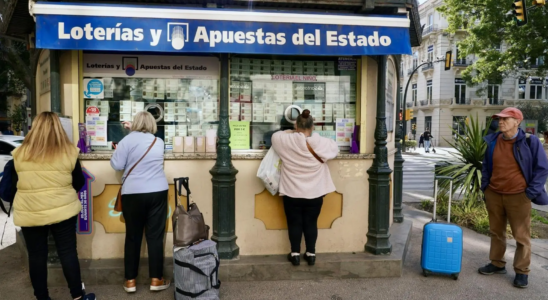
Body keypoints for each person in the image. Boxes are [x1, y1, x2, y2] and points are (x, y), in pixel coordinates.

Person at [10, 112, 95, 300]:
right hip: (63, 209)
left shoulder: (19, 154)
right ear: (59, 128)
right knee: (67, 253)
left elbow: (13, 185)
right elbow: (79, 181)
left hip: (30, 211)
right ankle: (77, 296)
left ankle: (42, 297)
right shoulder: (69, 152)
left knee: (37, 256)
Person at [480, 107, 548, 288]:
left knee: (521, 236)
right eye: (499, 119)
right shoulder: (493, 140)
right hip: (494, 193)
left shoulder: (530, 141)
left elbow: (542, 169)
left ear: (517, 122)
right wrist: (485, 188)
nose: (500, 122)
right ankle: (496, 263)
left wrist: (529, 193)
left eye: (505, 119)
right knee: (496, 231)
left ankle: (521, 271)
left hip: (519, 196)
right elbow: (486, 166)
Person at [110, 111, 170, 293]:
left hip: (133, 193)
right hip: (157, 192)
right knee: (155, 237)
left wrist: (117, 151)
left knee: (133, 237)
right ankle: (156, 279)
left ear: (134, 124)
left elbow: (117, 165)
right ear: (152, 124)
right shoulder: (158, 142)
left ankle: (130, 281)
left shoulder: (126, 141)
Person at [271, 109, 339, 266]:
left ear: (296, 125)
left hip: (291, 191)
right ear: (313, 126)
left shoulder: (285, 140)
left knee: (294, 222)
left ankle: (295, 254)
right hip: (315, 192)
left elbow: (276, 136)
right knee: (311, 222)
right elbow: (334, 149)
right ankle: (311, 254)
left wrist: (293, 131)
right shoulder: (320, 142)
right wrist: (311, 136)